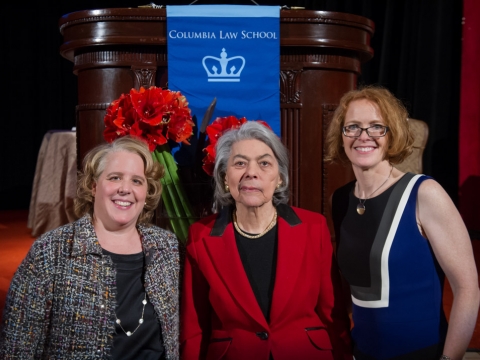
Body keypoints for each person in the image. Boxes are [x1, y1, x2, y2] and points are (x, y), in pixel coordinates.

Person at [325, 85, 480, 360]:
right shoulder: (340, 200)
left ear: (391, 133)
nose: (364, 136)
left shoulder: (424, 193)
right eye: (353, 127)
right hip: (361, 352)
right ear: (341, 135)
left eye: (376, 127)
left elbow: (467, 289)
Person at [180, 121, 352, 360]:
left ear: (279, 178)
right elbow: (194, 327)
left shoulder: (314, 228)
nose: (251, 172)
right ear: (225, 177)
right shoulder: (200, 236)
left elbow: (333, 314)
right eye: (240, 163)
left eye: (264, 163)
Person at [0, 136, 180, 359]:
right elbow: (18, 347)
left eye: (137, 181)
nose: (125, 189)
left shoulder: (166, 248)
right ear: (94, 187)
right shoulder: (52, 251)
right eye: (115, 178)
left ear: (146, 192)